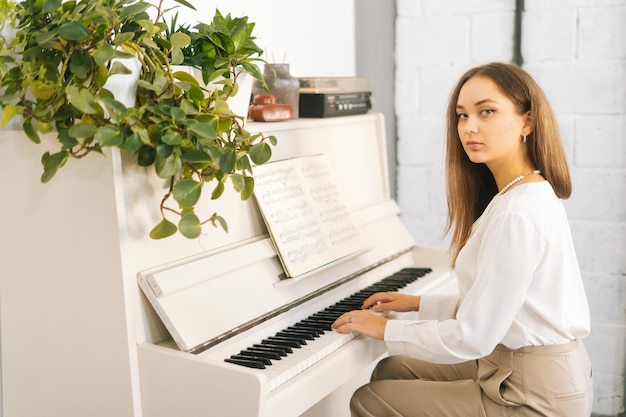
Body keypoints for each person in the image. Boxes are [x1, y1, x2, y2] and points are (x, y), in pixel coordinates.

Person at [332, 62, 593, 417]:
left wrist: (386, 328)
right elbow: (503, 304)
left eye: (487, 112)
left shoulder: (518, 212)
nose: (470, 127)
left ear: (527, 122)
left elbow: (474, 336)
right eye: (462, 115)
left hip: (533, 392)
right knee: (391, 370)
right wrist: (417, 304)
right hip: (517, 365)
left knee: (368, 399)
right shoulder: (518, 194)